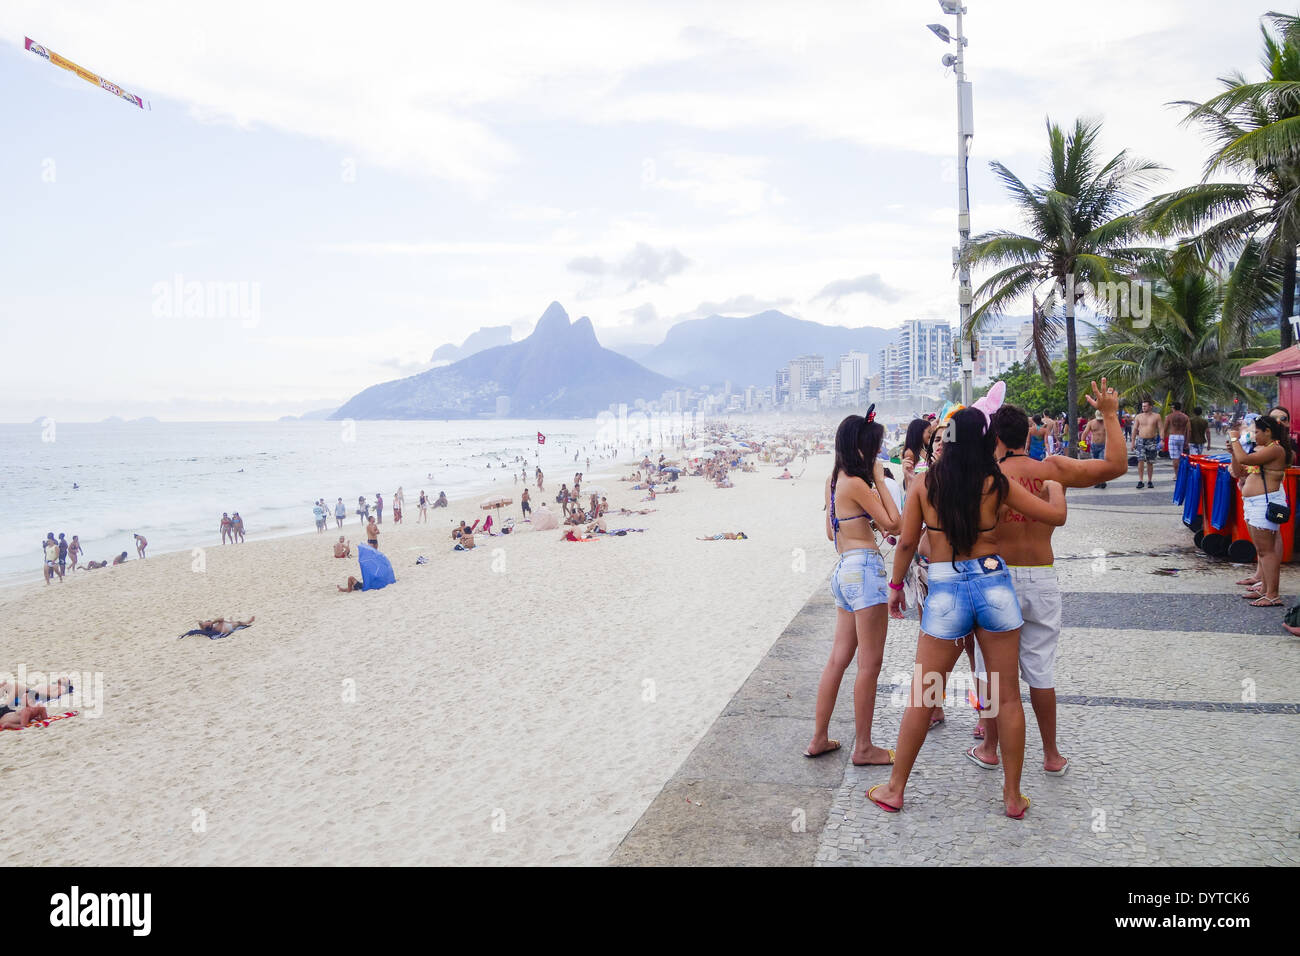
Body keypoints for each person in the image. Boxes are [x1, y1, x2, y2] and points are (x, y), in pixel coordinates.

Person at [871, 407, 1066, 819]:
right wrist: (1056, 485)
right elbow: (1055, 516)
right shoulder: (995, 482)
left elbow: (906, 544)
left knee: (923, 694)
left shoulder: (927, 484)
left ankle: (895, 789)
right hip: (994, 583)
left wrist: (894, 588)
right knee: (1006, 697)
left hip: (945, 590)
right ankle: (1012, 797)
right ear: (983, 439)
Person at [968, 380, 1126, 778]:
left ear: (996, 439)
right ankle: (1051, 755)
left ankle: (990, 747)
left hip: (995, 578)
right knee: (1040, 669)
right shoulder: (1051, 471)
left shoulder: (983, 479)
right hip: (1040, 575)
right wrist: (1109, 414)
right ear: (1027, 435)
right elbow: (1116, 466)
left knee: (991, 671)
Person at [804, 410, 902, 766]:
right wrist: (878, 479)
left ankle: (818, 737)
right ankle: (864, 747)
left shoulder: (834, 481)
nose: (877, 455)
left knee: (837, 659)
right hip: (865, 572)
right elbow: (897, 523)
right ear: (862, 448)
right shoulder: (859, 483)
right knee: (869, 664)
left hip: (844, 570)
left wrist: (860, 523)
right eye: (874, 449)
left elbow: (832, 532)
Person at [1229, 414, 1294, 607]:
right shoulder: (1264, 449)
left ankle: (1272, 594)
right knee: (1261, 550)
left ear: (1268, 432)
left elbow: (1245, 459)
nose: (1253, 435)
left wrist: (1234, 438)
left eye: (1256, 432)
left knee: (1267, 551)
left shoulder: (1275, 450)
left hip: (1264, 503)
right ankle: (1265, 589)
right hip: (1254, 503)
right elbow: (1239, 470)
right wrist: (1233, 451)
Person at [1130, 399, 1163, 488]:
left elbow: (1161, 428)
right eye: (1142, 406)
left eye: (1145, 406)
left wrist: (1162, 440)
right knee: (1140, 460)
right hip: (1141, 440)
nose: (1143, 408)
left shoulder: (1156, 416)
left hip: (1152, 440)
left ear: (1150, 407)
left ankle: (1149, 480)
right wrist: (1133, 442)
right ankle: (1140, 480)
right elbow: (1134, 429)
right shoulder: (1139, 416)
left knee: (1150, 462)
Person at [901, 419, 930, 491]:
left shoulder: (923, 450)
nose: (931, 435)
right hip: (917, 494)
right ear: (919, 433)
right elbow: (908, 478)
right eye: (929, 432)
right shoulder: (910, 453)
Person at [1085, 411, 1109, 488]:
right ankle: (1097, 481)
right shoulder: (1091, 423)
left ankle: (1103, 481)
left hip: (1104, 445)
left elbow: (1112, 434)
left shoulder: (1107, 423)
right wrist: (1082, 444)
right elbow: (1085, 433)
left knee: (1102, 463)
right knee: (1095, 465)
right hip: (1094, 445)